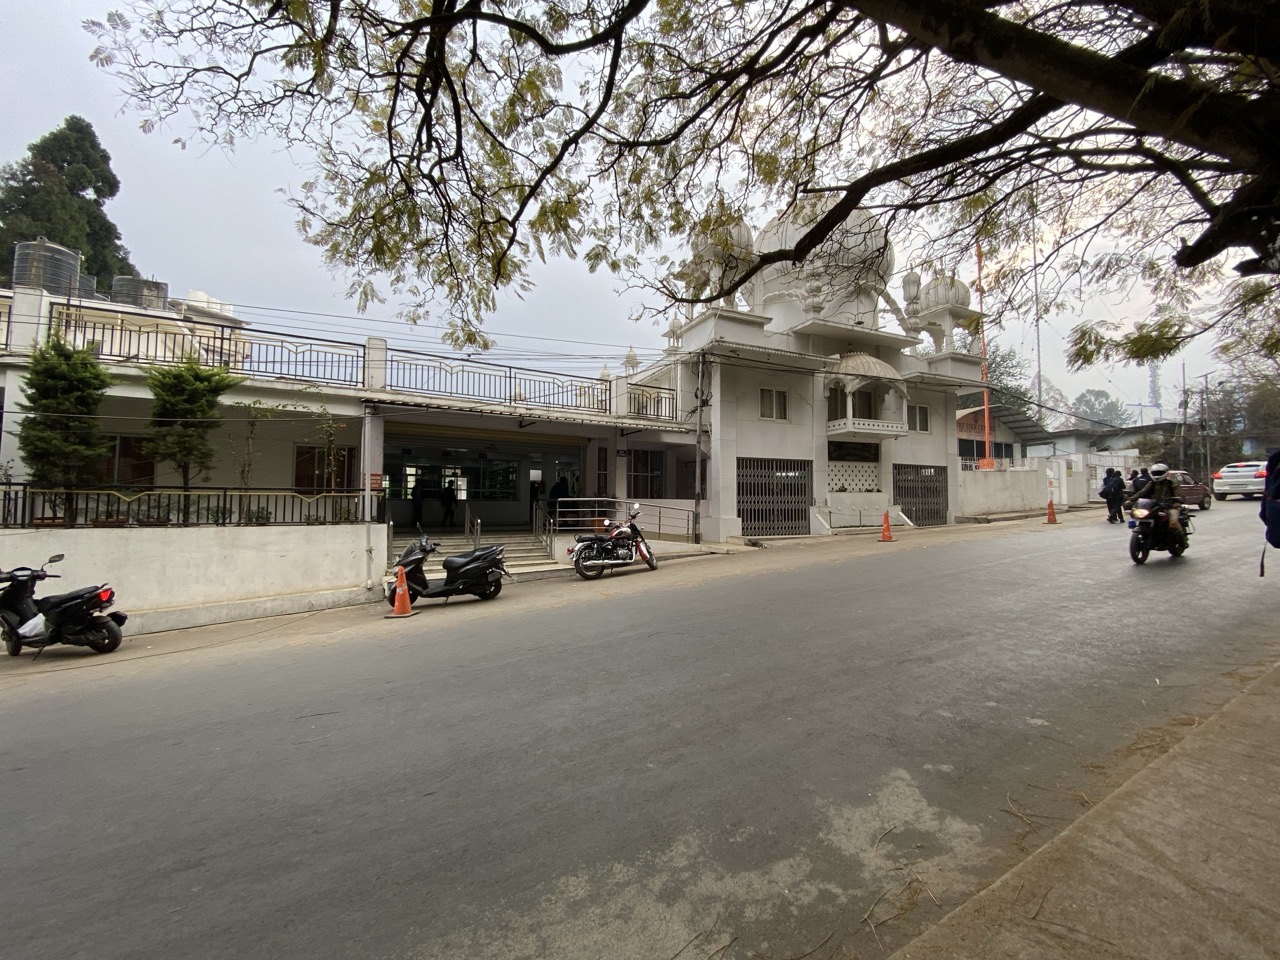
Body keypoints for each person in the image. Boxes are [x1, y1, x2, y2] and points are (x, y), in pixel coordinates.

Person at [1126, 462, 1184, 540]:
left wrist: (1176, 502)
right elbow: (1142, 492)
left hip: (1169, 506)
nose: (1157, 475)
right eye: (1155, 473)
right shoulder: (1151, 484)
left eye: (1160, 473)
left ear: (1166, 473)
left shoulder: (1172, 484)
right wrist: (1130, 500)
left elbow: (1179, 495)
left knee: (1173, 522)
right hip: (1154, 506)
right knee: (1141, 516)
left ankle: (1181, 536)